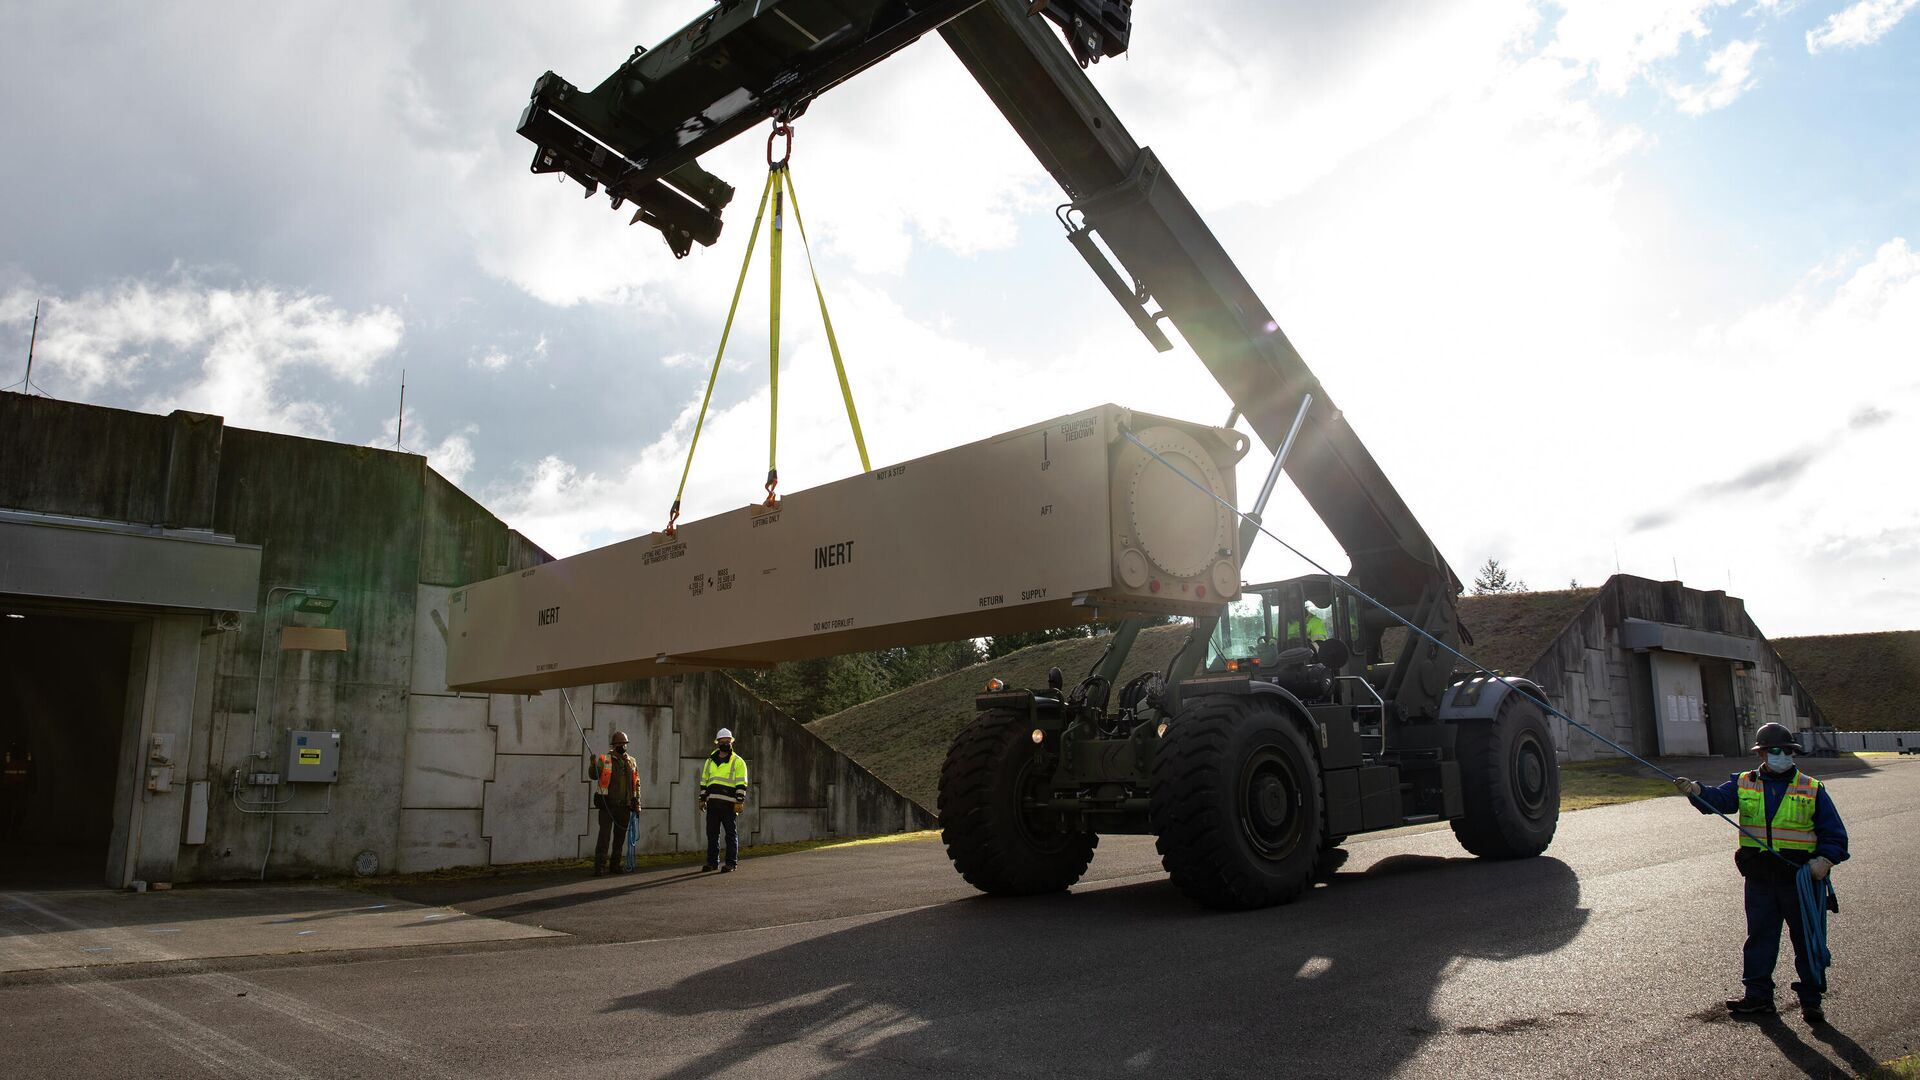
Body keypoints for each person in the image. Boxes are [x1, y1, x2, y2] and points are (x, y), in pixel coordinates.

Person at [1672, 722, 1849, 1024]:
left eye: (1785, 751)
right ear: (1762, 753)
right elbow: (1719, 801)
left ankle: (1811, 1000)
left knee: (1807, 940)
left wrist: (1825, 860)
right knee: (1760, 939)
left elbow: (1835, 835)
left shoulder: (1811, 789)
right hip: (1760, 880)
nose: (1779, 755)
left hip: (1799, 881)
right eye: (1772, 751)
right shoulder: (1744, 783)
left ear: (1793, 753)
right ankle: (1758, 997)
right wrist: (1696, 791)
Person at [590, 731, 641, 876]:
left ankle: (615, 865)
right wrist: (592, 764)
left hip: (624, 806)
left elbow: (637, 783)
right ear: (614, 745)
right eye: (619, 743)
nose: (622, 746)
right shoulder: (605, 759)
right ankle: (599, 866)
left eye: (624, 743)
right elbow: (594, 775)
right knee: (604, 837)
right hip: (607, 805)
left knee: (620, 838)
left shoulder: (631, 761)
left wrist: (637, 803)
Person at [699, 728, 749, 873]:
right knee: (712, 834)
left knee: (730, 835)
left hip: (729, 805)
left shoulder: (738, 762)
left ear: (731, 742)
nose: (726, 744)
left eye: (728, 741)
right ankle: (712, 862)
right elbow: (704, 782)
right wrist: (702, 799)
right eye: (723, 742)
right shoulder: (709, 761)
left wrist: (739, 801)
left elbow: (741, 784)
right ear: (718, 743)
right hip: (713, 804)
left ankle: (731, 863)